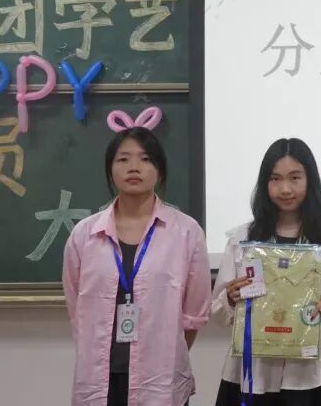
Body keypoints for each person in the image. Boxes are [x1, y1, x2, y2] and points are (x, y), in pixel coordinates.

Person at [63, 126, 210, 406]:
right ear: (110, 171)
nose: (134, 167)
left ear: (160, 170)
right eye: (123, 159)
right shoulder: (85, 234)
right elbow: (76, 305)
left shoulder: (186, 232)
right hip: (100, 378)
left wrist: (166, 356)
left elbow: (193, 314)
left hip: (159, 379)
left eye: (145, 159)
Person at [211, 138, 321, 406]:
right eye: (275, 179)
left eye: (295, 178)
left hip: (309, 375)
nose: (285, 189)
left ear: (310, 181)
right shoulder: (242, 240)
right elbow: (218, 313)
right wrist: (230, 297)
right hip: (252, 373)